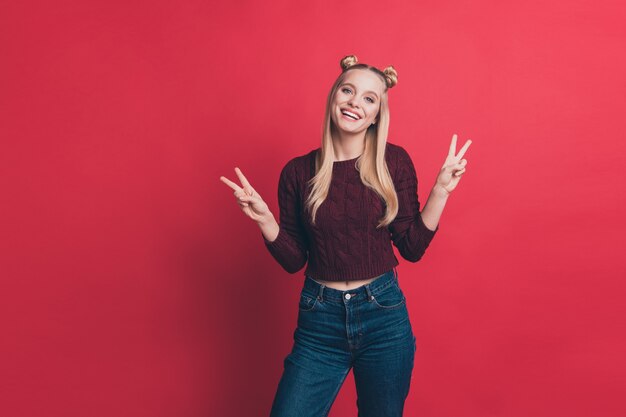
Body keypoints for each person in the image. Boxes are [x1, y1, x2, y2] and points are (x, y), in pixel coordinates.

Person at [220, 54, 472, 417]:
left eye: (369, 98)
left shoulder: (393, 162)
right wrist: (265, 221)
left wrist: (441, 192)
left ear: (376, 115)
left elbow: (412, 247)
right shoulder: (298, 172)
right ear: (334, 97)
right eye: (348, 90)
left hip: (383, 316)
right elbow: (294, 261)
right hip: (319, 321)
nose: (356, 101)